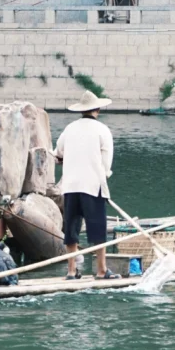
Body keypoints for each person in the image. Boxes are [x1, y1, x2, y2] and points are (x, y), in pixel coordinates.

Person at [55, 92, 115, 280]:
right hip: (93, 186)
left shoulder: (69, 129)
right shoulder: (103, 130)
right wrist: (104, 177)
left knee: (71, 228)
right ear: (97, 109)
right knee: (97, 228)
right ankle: (101, 270)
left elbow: (59, 152)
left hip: (71, 186)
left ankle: (72, 271)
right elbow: (106, 164)